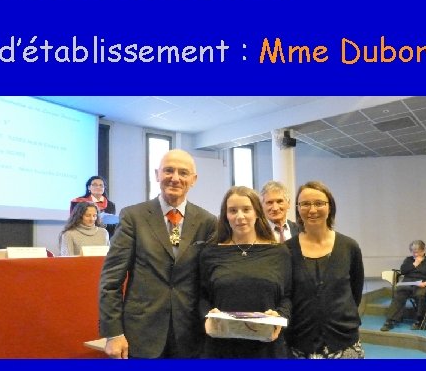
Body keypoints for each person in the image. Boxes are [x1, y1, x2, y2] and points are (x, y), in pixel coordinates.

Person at [98, 149, 217, 358]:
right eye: (168, 170)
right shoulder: (133, 217)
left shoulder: (207, 222)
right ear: (157, 174)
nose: (175, 178)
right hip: (141, 334)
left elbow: (211, 281)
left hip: (191, 336)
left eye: (183, 172)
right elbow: (111, 280)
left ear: (194, 179)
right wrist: (113, 333)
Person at [200, 186, 291, 358]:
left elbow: (288, 296)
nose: (240, 216)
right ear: (225, 215)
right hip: (221, 348)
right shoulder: (210, 253)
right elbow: (201, 296)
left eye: (246, 209)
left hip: (267, 348)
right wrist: (207, 318)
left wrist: (280, 316)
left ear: (257, 213)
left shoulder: (279, 252)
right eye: (233, 210)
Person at [285, 181, 365, 359]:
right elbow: (286, 295)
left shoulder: (349, 247)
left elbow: (355, 293)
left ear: (330, 207)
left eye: (319, 203)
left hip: (344, 341)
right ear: (298, 208)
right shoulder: (286, 250)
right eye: (305, 204)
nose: (312, 209)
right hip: (299, 343)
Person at [381, 240, 426, 331]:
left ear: (423, 251)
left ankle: (419, 320)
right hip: (408, 283)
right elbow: (403, 271)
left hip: (422, 284)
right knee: (399, 293)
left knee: (420, 294)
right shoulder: (409, 260)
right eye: (413, 252)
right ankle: (390, 320)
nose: (416, 254)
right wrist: (415, 264)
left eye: (418, 252)